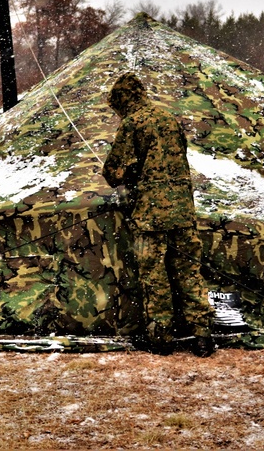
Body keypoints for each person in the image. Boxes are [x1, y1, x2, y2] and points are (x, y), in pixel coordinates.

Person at [102, 72, 216, 357]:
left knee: (155, 276)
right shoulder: (169, 120)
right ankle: (202, 334)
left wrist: (122, 177)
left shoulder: (132, 123)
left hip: (151, 214)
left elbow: (115, 171)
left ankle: (161, 336)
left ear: (123, 101)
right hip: (182, 211)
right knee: (189, 271)